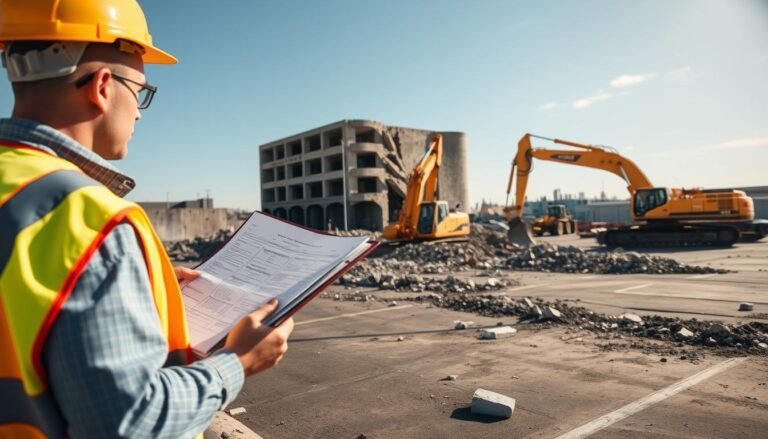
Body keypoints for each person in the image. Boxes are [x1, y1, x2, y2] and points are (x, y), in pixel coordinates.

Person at [0, 1, 294, 438]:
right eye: (141, 93)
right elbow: (126, 423)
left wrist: (132, 288)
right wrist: (237, 364)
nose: (138, 111)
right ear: (102, 86)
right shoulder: (90, 219)